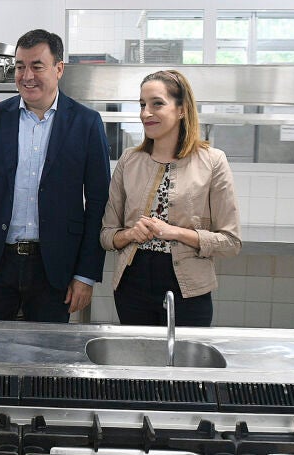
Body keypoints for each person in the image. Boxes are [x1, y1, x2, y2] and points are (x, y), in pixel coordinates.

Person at [0, 29, 110, 323]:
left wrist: (85, 275)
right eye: (20, 66)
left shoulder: (86, 123)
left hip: (55, 267)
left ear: (58, 69)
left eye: (37, 66)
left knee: (48, 350)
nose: (27, 76)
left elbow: (99, 203)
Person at [100, 69, 241, 327]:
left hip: (188, 288)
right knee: (137, 353)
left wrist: (175, 232)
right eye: (142, 105)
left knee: (185, 354)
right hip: (132, 285)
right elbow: (107, 235)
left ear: (182, 110)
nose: (146, 113)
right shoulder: (129, 160)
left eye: (157, 104)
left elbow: (230, 242)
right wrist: (130, 234)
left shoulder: (212, 161)